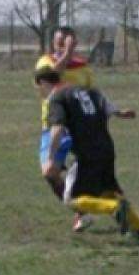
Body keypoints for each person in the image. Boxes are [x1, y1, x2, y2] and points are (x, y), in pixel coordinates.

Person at [36, 67, 139, 240]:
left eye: (39, 87)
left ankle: (115, 208)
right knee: (108, 191)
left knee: (71, 199)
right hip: (106, 148)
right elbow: (106, 104)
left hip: (86, 154)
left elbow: (57, 128)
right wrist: (119, 112)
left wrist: (50, 156)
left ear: (44, 82)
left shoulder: (57, 98)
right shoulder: (87, 90)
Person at [35, 26, 96, 231]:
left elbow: (92, 97)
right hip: (53, 125)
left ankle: (95, 206)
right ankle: (80, 210)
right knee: (49, 172)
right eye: (59, 41)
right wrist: (67, 54)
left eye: (66, 41)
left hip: (79, 128)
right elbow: (51, 79)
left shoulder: (83, 68)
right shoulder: (45, 63)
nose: (62, 45)